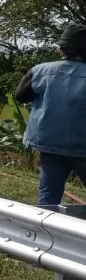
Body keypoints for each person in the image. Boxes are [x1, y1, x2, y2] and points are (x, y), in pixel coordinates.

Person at [14, 23, 86, 206]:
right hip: (81, 145)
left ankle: (45, 229)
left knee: (49, 194)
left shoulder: (41, 70)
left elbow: (20, 96)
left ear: (62, 49)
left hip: (49, 143)